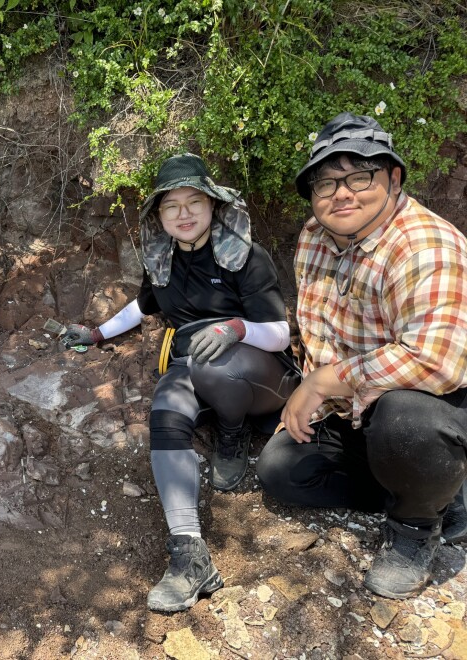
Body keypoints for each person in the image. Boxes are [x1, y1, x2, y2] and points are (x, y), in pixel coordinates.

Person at [62, 153, 299, 612]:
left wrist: (234, 327)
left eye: (194, 202)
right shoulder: (163, 258)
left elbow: (278, 334)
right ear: (159, 216)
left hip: (260, 372)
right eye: (172, 206)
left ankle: (234, 436)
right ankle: (190, 554)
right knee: (165, 414)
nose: (184, 214)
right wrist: (94, 333)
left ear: (213, 206)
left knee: (215, 367)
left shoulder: (245, 254)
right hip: (192, 363)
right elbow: (142, 307)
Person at [256, 112, 467, 600]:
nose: (341, 193)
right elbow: (318, 333)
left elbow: (439, 362)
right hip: (351, 410)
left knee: (404, 418)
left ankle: (416, 530)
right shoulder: (314, 237)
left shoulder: (424, 246)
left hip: (432, 405)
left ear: (393, 179)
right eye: (326, 183)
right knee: (280, 471)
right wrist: (312, 390)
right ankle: (438, 493)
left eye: (359, 176)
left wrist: (323, 382)